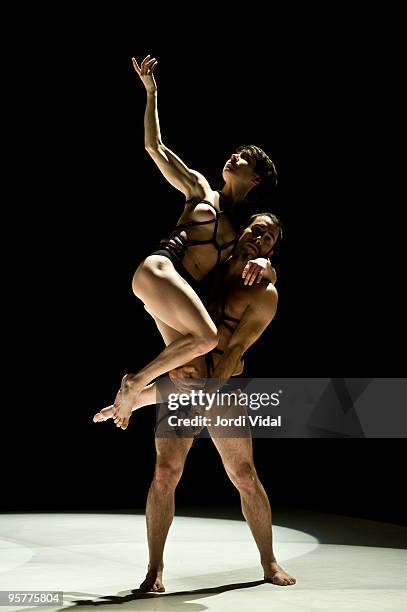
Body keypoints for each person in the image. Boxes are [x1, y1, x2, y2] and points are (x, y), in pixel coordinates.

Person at [94, 213, 297, 589]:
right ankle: (154, 570)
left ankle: (269, 562)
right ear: (241, 232)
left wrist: (269, 271)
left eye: (269, 239)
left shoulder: (263, 294)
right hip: (183, 383)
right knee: (164, 474)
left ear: (272, 251)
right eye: (256, 230)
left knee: (245, 476)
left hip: (222, 386)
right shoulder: (208, 269)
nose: (260, 240)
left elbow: (236, 350)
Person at [110, 54, 278, 429]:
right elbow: (156, 147)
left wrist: (269, 268)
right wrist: (151, 92)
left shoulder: (241, 234)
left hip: (171, 293)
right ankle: (134, 383)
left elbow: (254, 266)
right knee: (205, 337)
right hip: (159, 268)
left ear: (255, 181)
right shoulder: (201, 190)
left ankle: (132, 403)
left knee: (194, 378)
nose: (235, 155)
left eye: (245, 158)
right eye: (237, 152)